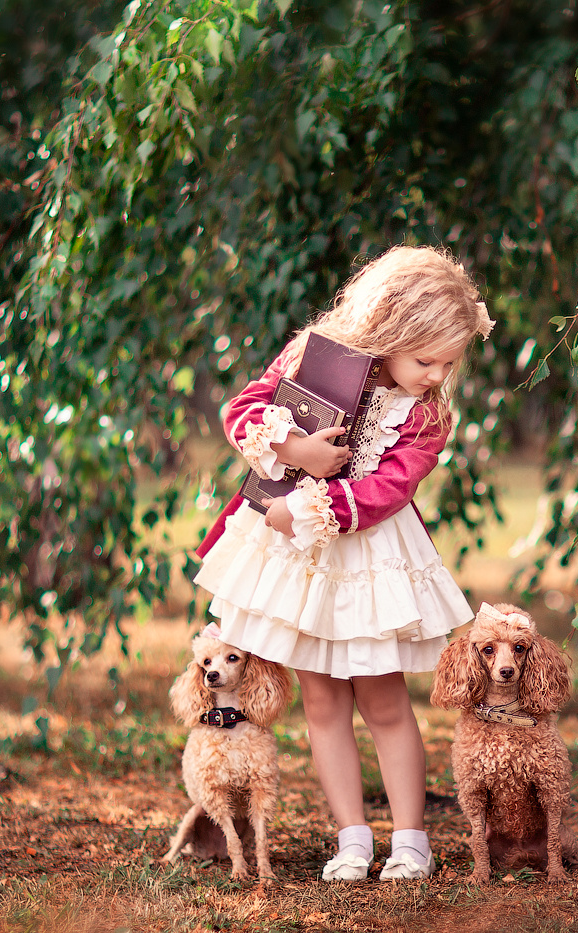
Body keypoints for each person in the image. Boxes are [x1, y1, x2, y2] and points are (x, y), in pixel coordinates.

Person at [193, 245, 494, 881]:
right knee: (323, 701)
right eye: (424, 359)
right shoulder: (316, 355)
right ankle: (352, 838)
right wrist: (297, 447)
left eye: (448, 363)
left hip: (367, 553)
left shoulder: (426, 413)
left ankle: (411, 840)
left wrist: (309, 509)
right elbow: (242, 410)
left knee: (383, 698)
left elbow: (392, 488)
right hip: (300, 563)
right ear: (389, 331)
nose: (437, 374)